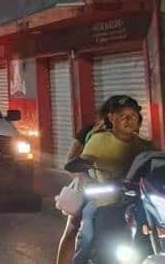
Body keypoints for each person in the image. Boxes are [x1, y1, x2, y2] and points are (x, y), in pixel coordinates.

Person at [73, 96, 153, 264]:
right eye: (122, 115)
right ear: (111, 118)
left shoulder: (146, 146)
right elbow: (80, 164)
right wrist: (87, 177)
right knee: (88, 238)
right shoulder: (99, 140)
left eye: (133, 115)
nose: (128, 119)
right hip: (106, 202)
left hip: (141, 204)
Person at [55, 96, 120, 264]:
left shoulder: (129, 136)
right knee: (73, 229)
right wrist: (85, 178)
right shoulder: (89, 131)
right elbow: (70, 160)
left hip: (119, 191)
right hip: (91, 189)